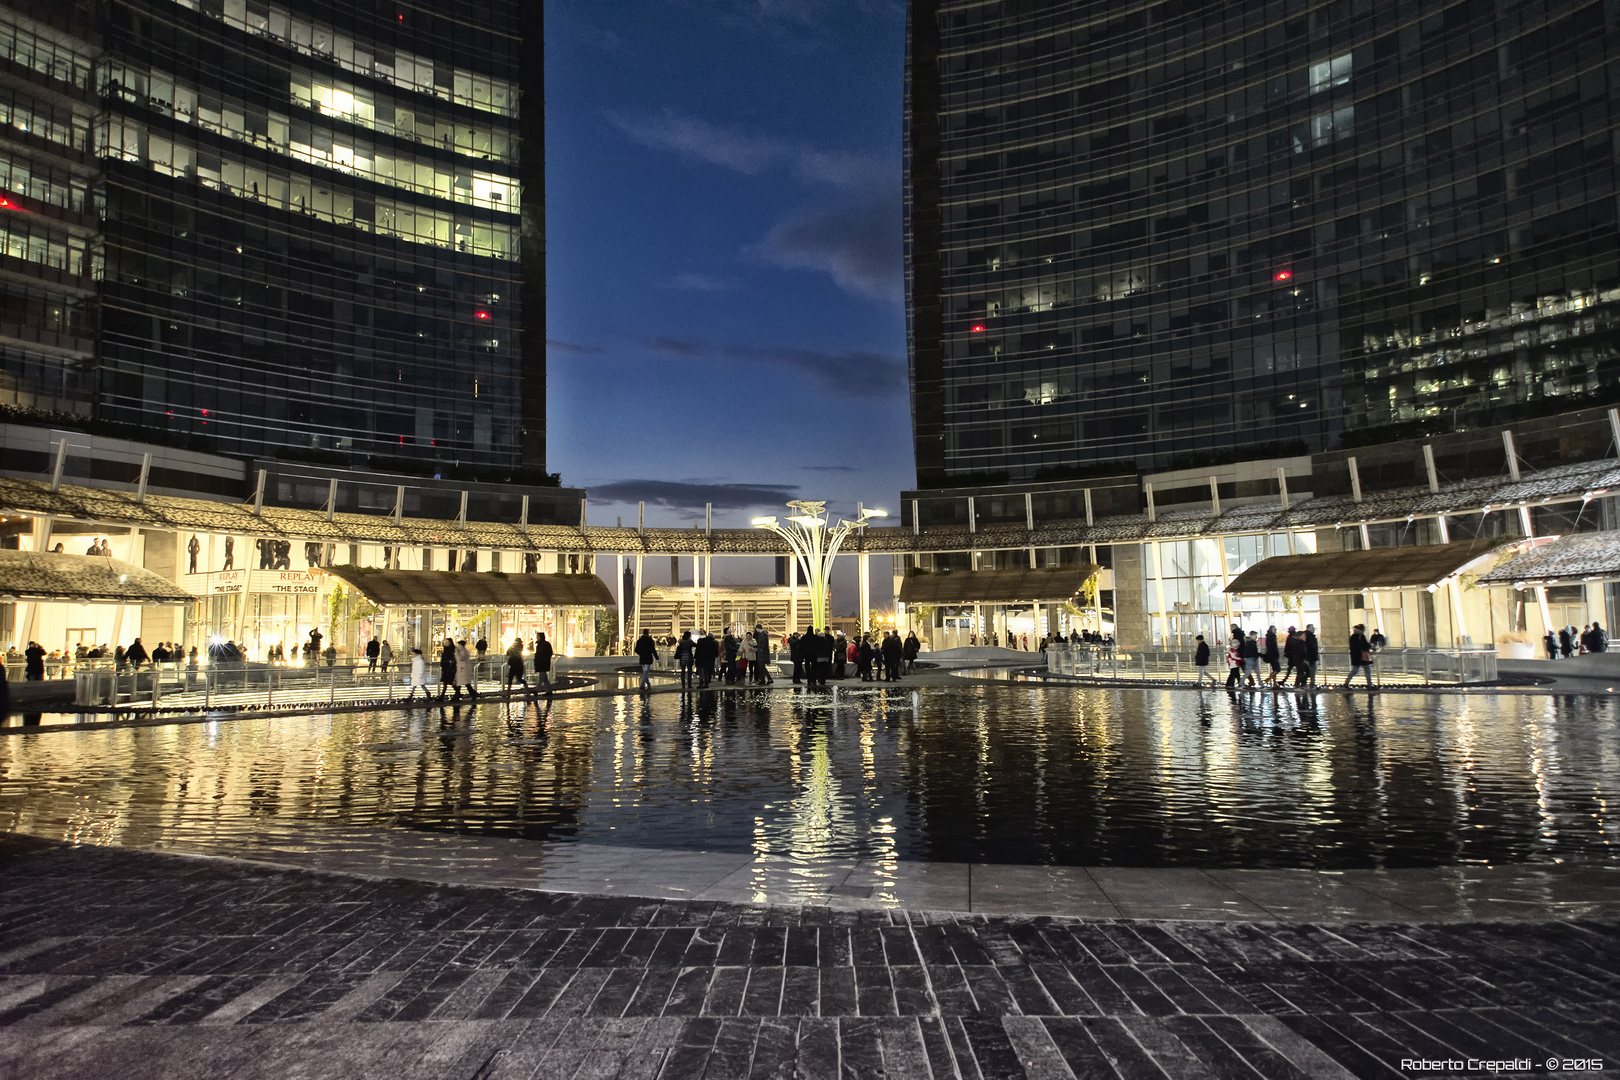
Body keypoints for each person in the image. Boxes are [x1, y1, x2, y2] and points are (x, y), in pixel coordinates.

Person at [533, 632, 555, 697]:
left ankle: (536, 690)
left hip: (541, 663)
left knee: (541, 678)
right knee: (545, 679)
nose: (537, 638)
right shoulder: (546, 644)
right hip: (544, 663)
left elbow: (540, 655)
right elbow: (550, 653)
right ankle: (549, 691)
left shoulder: (540, 645)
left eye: (537, 636)